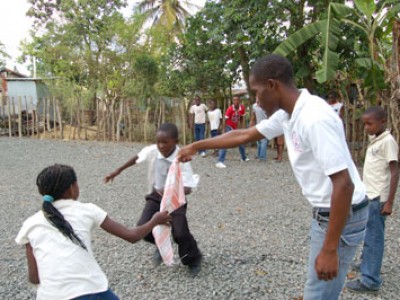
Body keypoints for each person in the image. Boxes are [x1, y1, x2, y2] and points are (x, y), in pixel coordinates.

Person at [178, 54, 368, 299]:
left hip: (342, 213)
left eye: (256, 92)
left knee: (318, 294)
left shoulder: (314, 118)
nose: (255, 101)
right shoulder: (287, 114)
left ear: (272, 85)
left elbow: (344, 184)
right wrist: (196, 146)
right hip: (328, 211)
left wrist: (330, 249)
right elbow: (244, 135)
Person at [15, 164, 170, 300]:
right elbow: (132, 236)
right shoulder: (87, 210)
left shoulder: (30, 225)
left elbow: (34, 278)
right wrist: (155, 220)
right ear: (71, 188)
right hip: (89, 290)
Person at [104, 123, 202, 277]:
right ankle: (161, 245)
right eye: (158, 142)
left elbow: (189, 186)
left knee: (180, 234)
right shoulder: (153, 151)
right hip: (155, 196)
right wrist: (118, 170)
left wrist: (171, 190)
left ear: (175, 141)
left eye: (165, 142)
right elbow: (137, 157)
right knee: (143, 228)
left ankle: (194, 259)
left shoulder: (182, 157)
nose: (161, 145)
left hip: (175, 198)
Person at [346, 106, 399, 294]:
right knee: (369, 234)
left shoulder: (388, 142)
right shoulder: (376, 140)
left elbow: (394, 171)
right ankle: (366, 263)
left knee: (374, 238)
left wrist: (389, 201)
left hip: (379, 198)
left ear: (383, 122)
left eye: (370, 124)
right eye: (364, 124)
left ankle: (370, 280)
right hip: (371, 195)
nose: (366, 128)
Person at [215, 96, 249, 168]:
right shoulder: (230, 109)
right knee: (226, 143)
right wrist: (224, 131)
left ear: (239, 101)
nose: (235, 101)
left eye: (237, 100)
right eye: (234, 100)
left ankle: (243, 157)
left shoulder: (242, 108)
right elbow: (225, 120)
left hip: (236, 127)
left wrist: (243, 129)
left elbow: (242, 118)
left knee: (241, 141)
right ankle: (220, 161)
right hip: (229, 127)